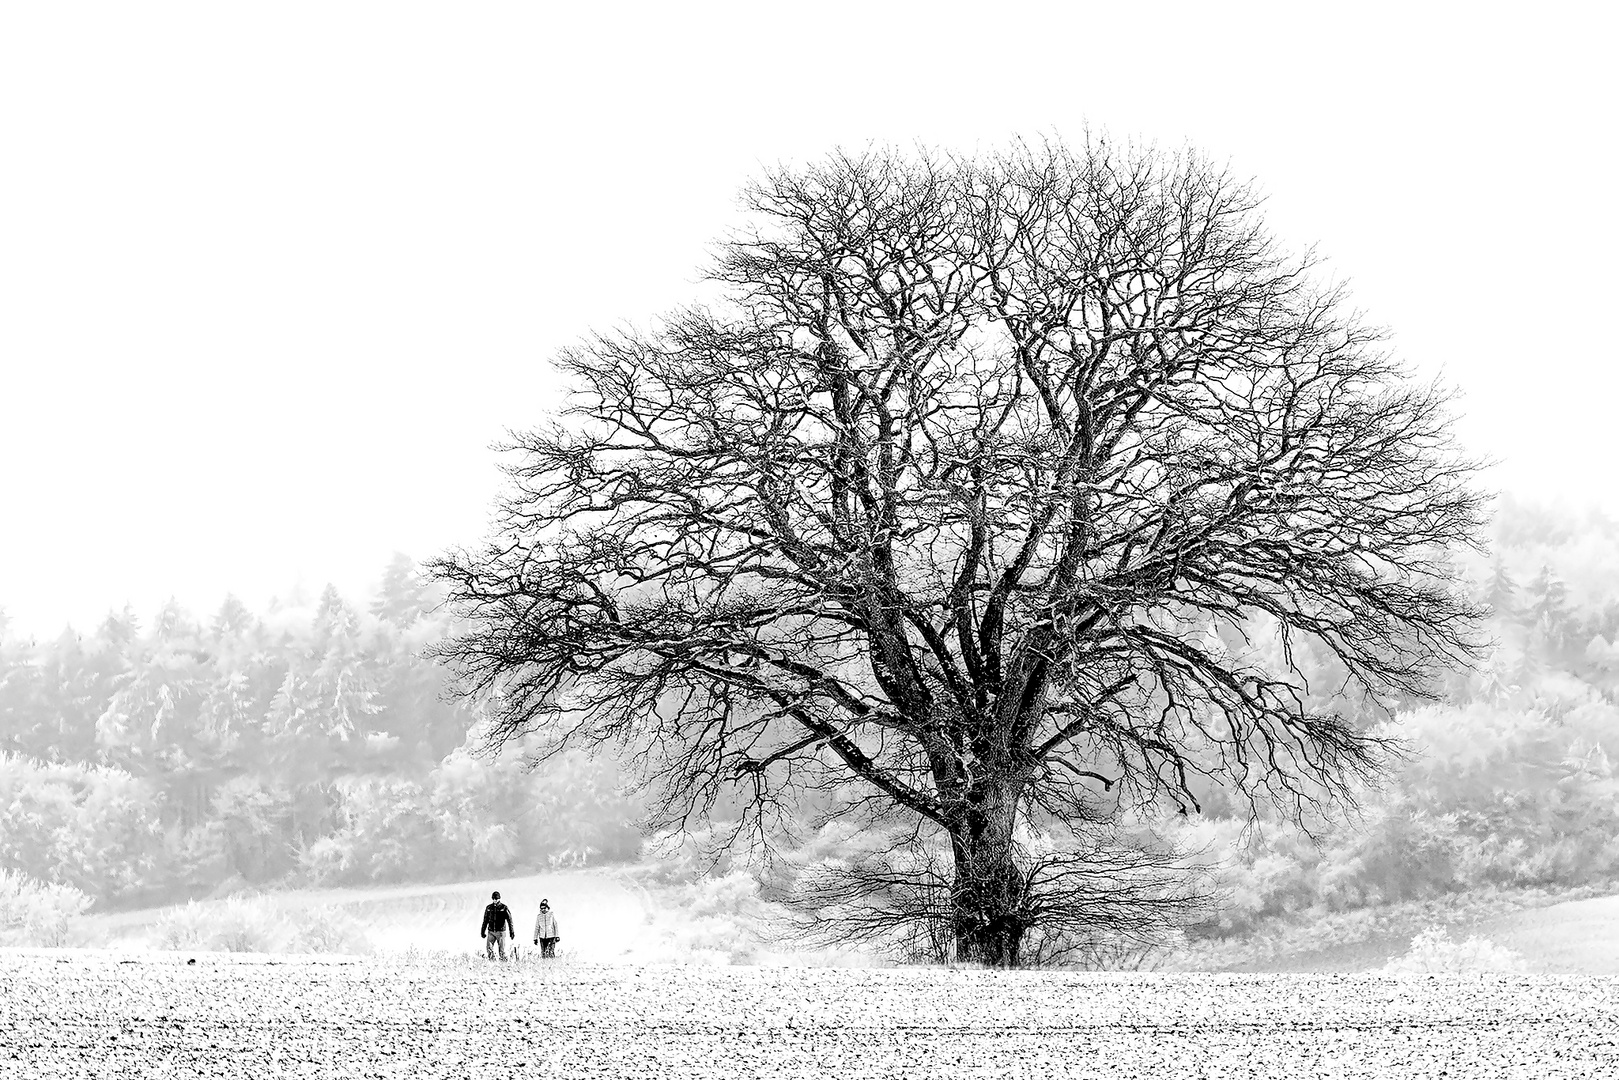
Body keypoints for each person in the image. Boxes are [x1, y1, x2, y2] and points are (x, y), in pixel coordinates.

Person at [481, 890, 516, 961]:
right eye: (493, 899)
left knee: (501, 951)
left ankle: (503, 962)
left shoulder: (503, 908)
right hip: (491, 931)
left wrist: (511, 932)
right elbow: (485, 920)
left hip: (500, 932)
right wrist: (482, 931)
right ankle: (492, 962)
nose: (495, 900)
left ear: (499, 899)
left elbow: (510, 920)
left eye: (496, 899)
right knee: (489, 948)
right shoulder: (489, 908)